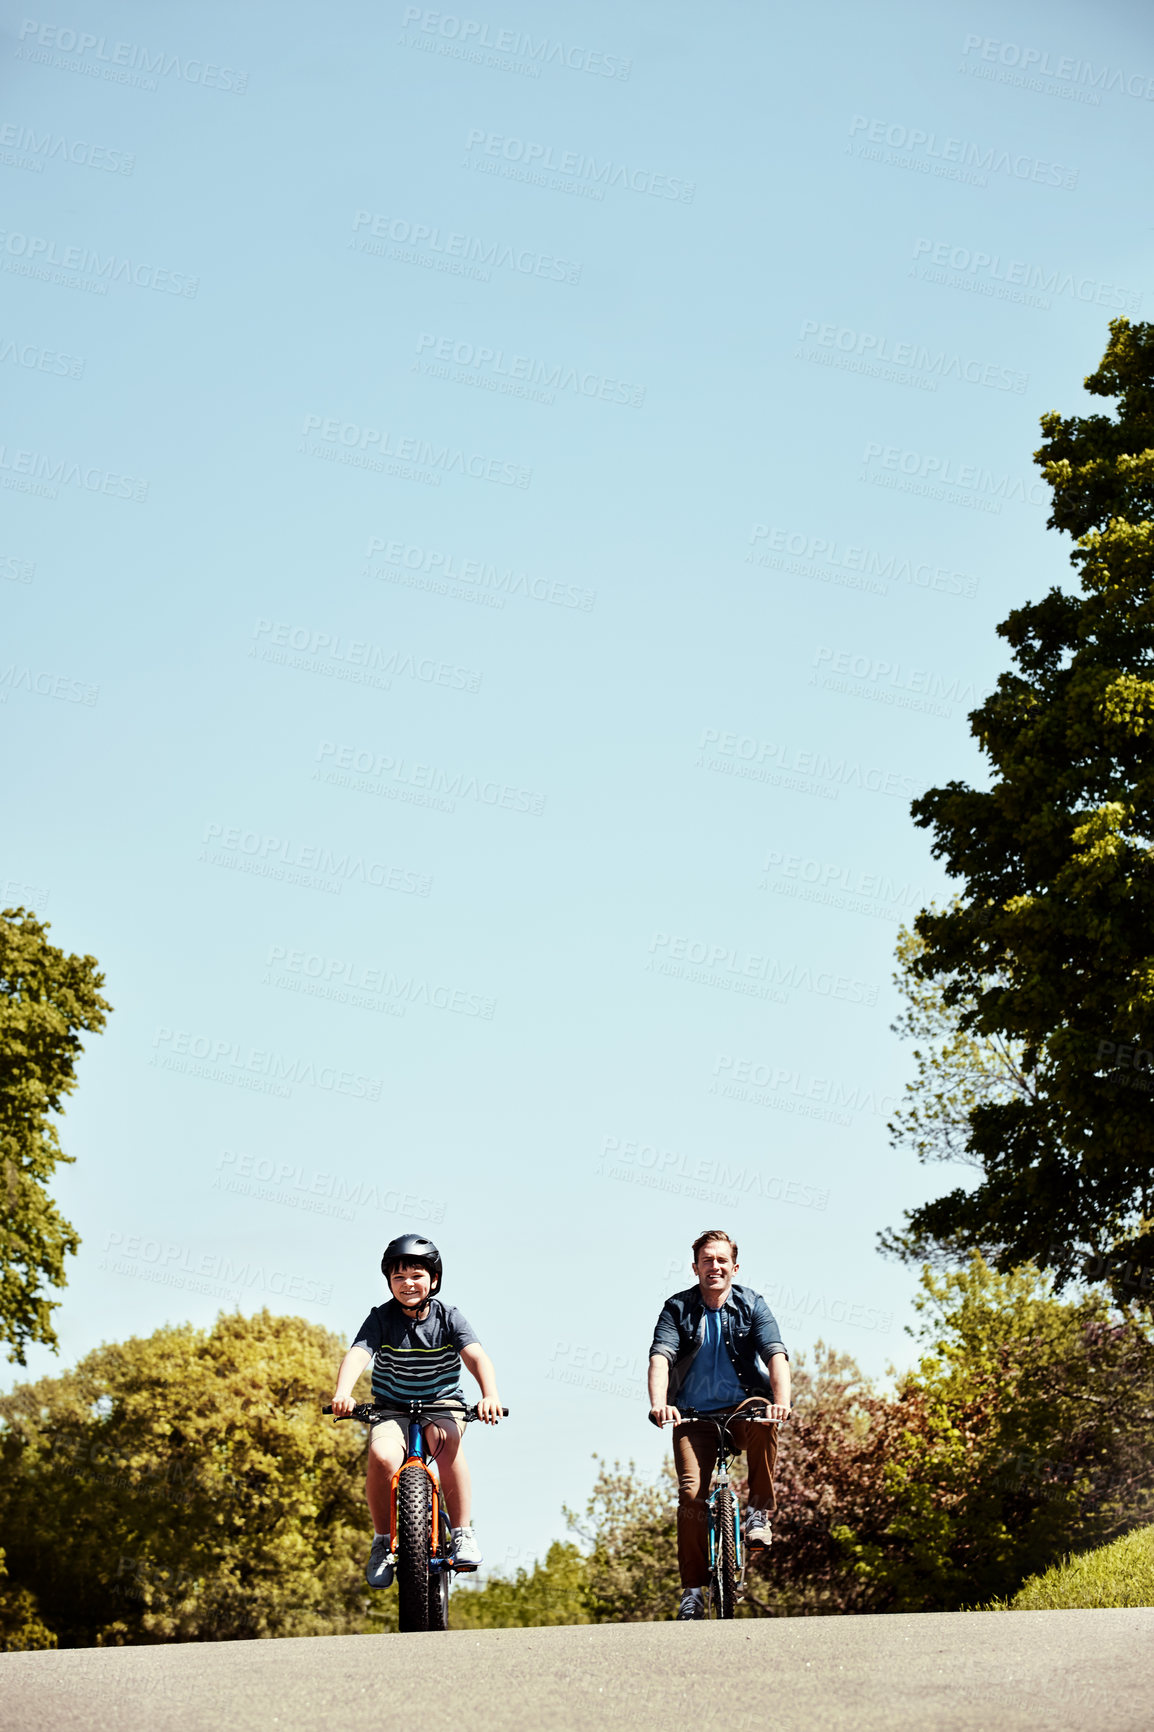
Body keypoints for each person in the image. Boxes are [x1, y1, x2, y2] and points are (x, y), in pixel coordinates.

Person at [331, 1234, 503, 1589]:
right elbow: (358, 1355)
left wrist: (489, 1395)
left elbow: (475, 1356)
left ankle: (462, 1533)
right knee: (381, 1456)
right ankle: (381, 1541)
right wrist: (343, 1393)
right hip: (391, 1408)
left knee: (446, 1439)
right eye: (399, 1277)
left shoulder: (449, 1317)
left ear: (434, 1280)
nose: (408, 1283)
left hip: (441, 1405)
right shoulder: (380, 1318)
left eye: (416, 1275)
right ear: (389, 1283)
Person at [648, 1228, 791, 1621]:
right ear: (695, 1267)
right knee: (692, 1497)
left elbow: (776, 1355)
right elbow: (660, 1357)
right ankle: (692, 1592)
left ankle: (758, 1514)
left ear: (734, 1266)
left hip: (744, 1408)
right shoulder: (677, 1309)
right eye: (707, 1260)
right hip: (692, 1416)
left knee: (765, 1420)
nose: (715, 1266)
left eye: (722, 1260)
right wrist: (660, 1405)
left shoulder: (752, 1305)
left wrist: (782, 1403)